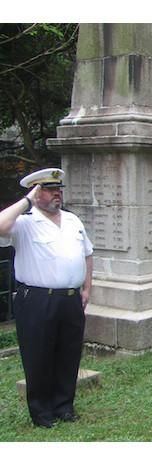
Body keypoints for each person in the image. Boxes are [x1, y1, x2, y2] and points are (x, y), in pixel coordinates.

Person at [0, 168, 93, 428]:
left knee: (68, 354)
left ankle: (64, 406)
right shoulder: (25, 223)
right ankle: (41, 413)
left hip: (71, 298)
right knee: (38, 356)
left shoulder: (72, 220)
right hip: (38, 300)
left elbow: (87, 254)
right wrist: (26, 201)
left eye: (59, 190)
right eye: (50, 190)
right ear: (37, 193)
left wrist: (87, 289)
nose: (57, 194)